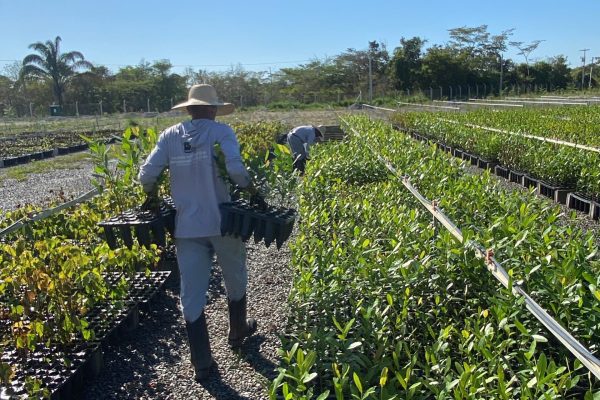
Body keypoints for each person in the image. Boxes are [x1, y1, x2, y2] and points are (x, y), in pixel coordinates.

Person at [138, 84, 262, 382]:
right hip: (223, 222)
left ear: (189, 109)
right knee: (235, 275)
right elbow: (235, 169)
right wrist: (251, 189)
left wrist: (151, 196)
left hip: (187, 228)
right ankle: (237, 331)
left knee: (191, 293)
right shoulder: (221, 133)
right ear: (214, 109)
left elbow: (146, 175)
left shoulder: (169, 136)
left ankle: (202, 363)